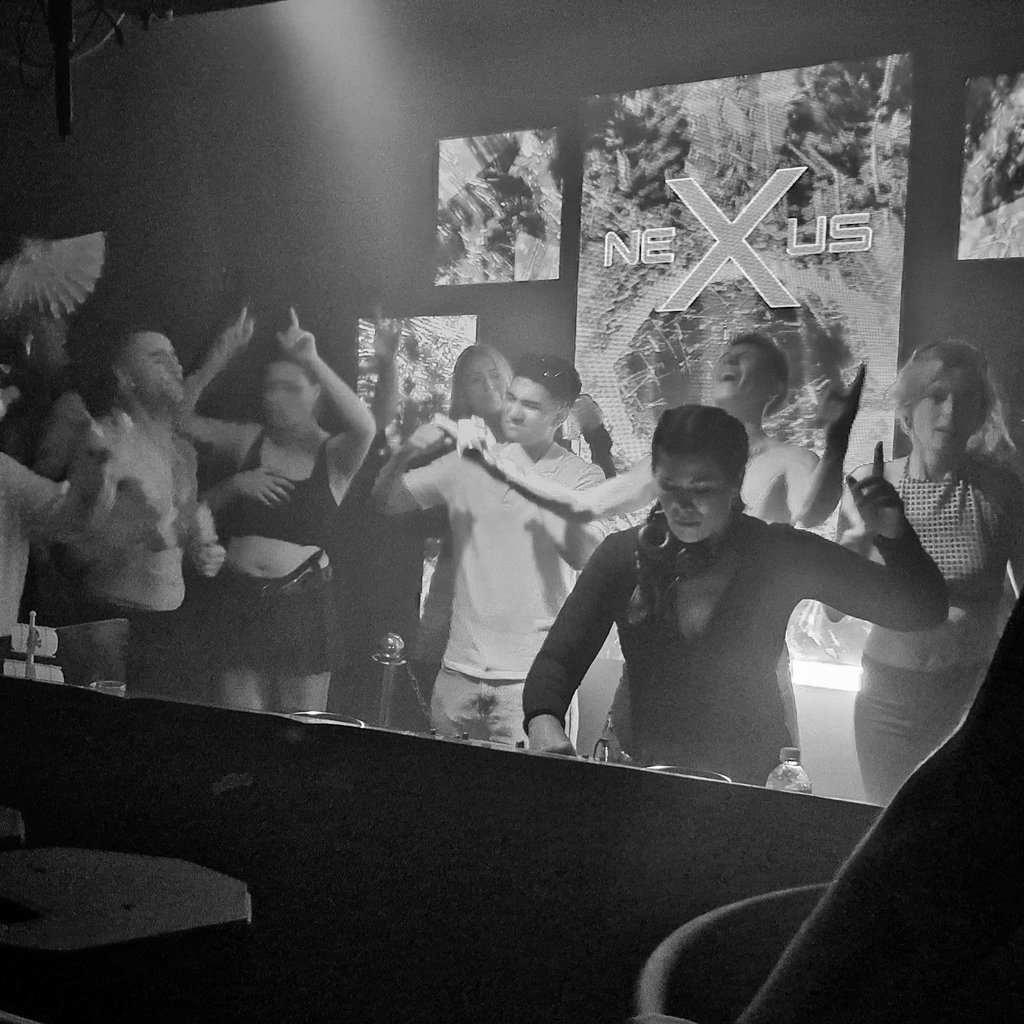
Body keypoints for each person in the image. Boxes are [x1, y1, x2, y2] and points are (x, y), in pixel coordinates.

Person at [522, 404, 949, 785]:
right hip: (643, 775)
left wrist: (895, 534)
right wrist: (543, 721)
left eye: (701, 489)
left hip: (750, 783)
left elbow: (921, 609)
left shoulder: (779, 553)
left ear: (735, 484)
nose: (682, 505)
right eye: (669, 486)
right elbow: (560, 658)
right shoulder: (623, 555)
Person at [373, 353, 606, 745]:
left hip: (533, 682)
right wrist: (405, 451)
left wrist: (510, 474)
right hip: (457, 675)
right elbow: (386, 502)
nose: (514, 411)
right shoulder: (471, 462)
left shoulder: (581, 476)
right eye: (512, 398)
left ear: (560, 416)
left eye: (531, 405)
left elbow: (584, 554)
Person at [836, 340, 1024, 805]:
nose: (951, 411)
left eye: (967, 399)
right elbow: (833, 612)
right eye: (937, 396)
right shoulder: (873, 483)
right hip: (887, 699)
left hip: (970, 701)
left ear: (981, 414)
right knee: (886, 827)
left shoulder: (1002, 490)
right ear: (907, 409)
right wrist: (854, 545)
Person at [194, 308, 376, 713]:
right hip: (239, 600)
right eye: (270, 388)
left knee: (301, 728)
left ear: (316, 393)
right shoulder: (248, 440)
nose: (276, 397)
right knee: (240, 726)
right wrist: (216, 359)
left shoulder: (334, 454)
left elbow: (366, 427)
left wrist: (312, 359)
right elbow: (177, 421)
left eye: (291, 387)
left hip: (303, 607)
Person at [30, 323, 229, 695]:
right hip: (111, 624)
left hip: (172, 626)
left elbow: (187, 523)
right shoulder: (105, 439)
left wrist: (206, 550)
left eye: (174, 357)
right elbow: (67, 544)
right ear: (125, 377)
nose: (174, 366)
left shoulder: (183, 452)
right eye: (157, 359)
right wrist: (136, 532)